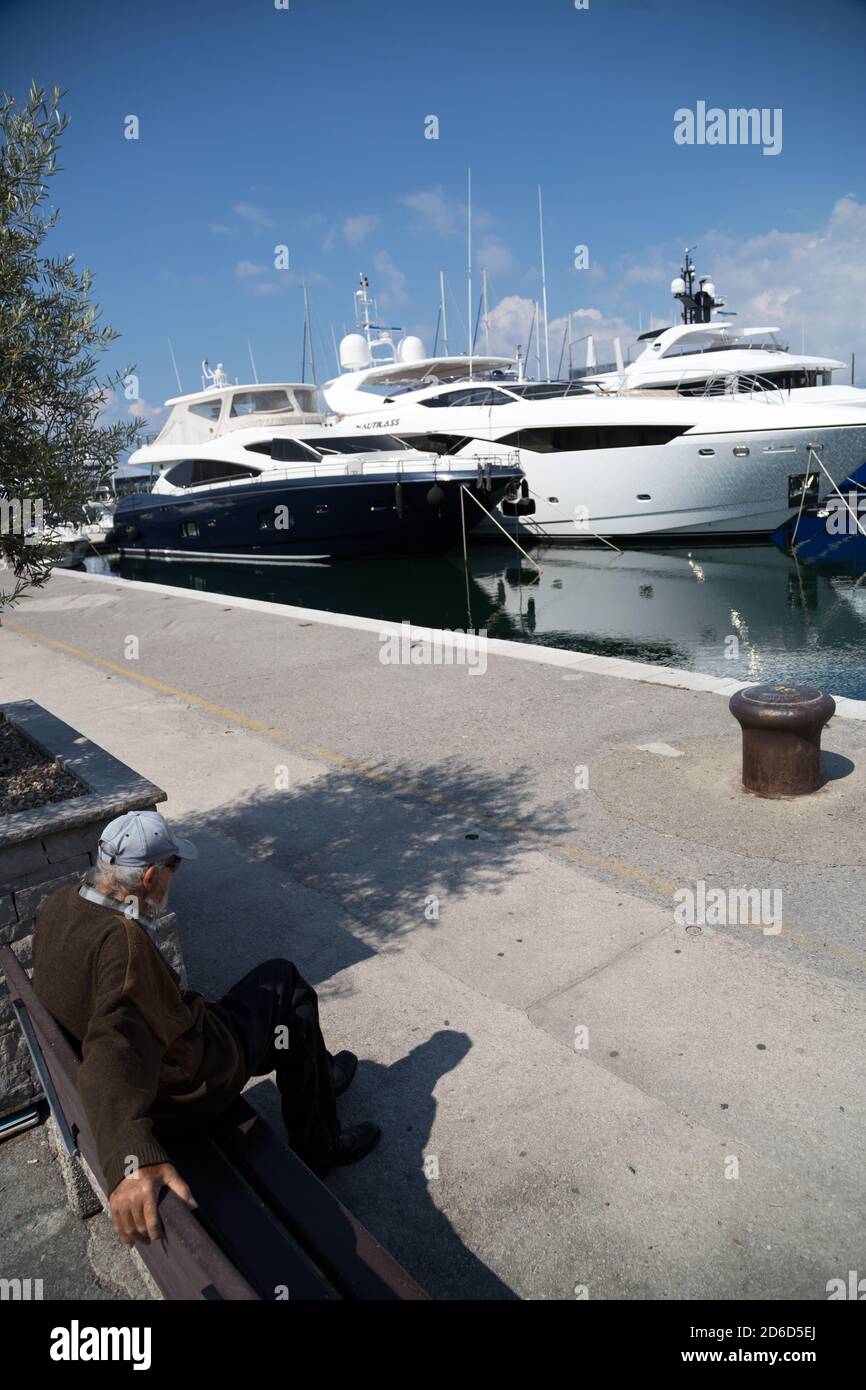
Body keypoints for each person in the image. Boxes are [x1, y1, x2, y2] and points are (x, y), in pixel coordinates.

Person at [32, 809, 380, 1248]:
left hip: (169, 1054)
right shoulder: (123, 946)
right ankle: (321, 1144)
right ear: (150, 877)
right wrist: (129, 1156)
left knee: (276, 996)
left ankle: (317, 1076)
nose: (174, 881)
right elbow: (111, 1046)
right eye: (173, 870)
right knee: (287, 986)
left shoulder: (61, 902)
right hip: (194, 1078)